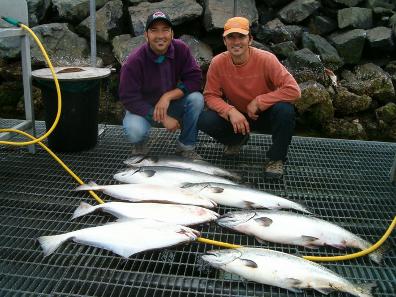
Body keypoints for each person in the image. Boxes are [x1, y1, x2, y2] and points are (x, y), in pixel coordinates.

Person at [198, 17, 301, 179]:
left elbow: (294, 90)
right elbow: (210, 96)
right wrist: (230, 111)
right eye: (231, 37)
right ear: (225, 41)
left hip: (264, 114)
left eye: (241, 37)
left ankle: (276, 158)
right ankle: (236, 140)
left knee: (285, 111)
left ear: (250, 39)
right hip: (238, 118)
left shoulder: (266, 59)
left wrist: (260, 102)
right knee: (203, 118)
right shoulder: (218, 63)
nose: (236, 42)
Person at [119, 11, 204, 159]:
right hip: (142, 109)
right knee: (134, 130)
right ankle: (140, 144)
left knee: (196, 99)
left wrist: (168, 96)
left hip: (169, 104)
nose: (160, 35)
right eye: (154, 30)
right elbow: (128, 98)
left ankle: (185, 147)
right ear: (146, 35)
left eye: (165, 30)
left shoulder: (181, 49)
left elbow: (195, 79)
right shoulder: (133, 61)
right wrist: (163, 118)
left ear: (172, 34)